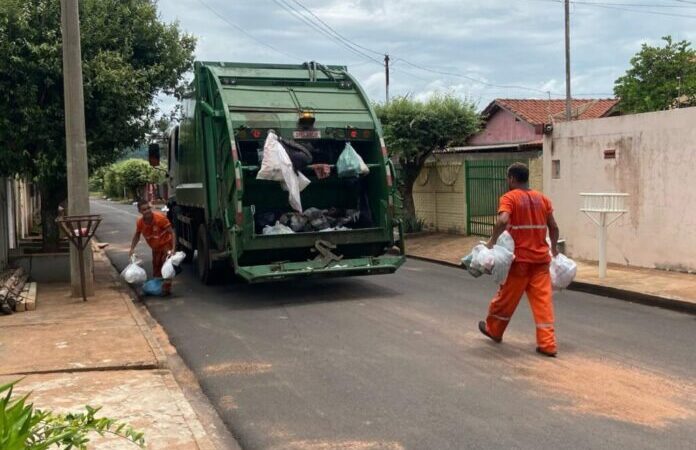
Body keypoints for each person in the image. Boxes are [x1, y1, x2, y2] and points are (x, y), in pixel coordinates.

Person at [478, 162, 560, 357]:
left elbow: (503, 220)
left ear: (512, 178)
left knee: (505, 299)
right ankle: (548, 344)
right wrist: (554, 250)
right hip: (541, 261)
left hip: (519, 262)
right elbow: (554, 227)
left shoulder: (510, 198)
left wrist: (491, 242)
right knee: (543, 304)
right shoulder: (543, 199)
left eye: (508, 178)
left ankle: (494, 330)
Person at [129, 199, 176, 293]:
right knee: (156, 267)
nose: (147, 211)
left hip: (166, 246)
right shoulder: (140, 222)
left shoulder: (160, 219)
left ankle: (166, 289)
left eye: (148, 208)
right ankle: (158, 287)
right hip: (155, 248)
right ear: (140, 211)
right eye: (144, 209)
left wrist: (173, 249)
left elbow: (172, 233)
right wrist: (132, 249)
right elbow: (137, 235)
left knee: (166, 267)